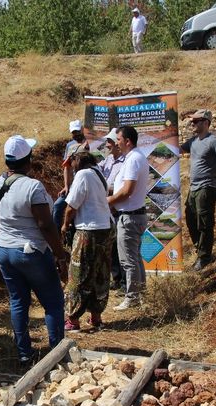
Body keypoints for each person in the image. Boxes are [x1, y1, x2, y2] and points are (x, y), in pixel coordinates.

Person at [0, 135, 67, 364]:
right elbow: (45, 225)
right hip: (30, 251)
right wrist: (60, 256)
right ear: (28, 160)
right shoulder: (33, 187)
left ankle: (24, 352)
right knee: (52, 301)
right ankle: (56, 352)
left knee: (18, 301)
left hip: (4, 248)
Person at [61, 146, 114, 332]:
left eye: (71, 162)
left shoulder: (83, 174)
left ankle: (73, 320)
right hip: (106, 228)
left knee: (78, 273)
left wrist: (65, 225)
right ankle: (96, 317)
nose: (71, 167)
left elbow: (71, 206)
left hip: (88, 230)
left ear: (77, 159)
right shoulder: (97, 172)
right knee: (100, 273)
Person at [180, 109, 216, 271]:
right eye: (192, 121)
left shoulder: (213, 141)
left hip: (207, 187)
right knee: (190, 219)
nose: (193, 124)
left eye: (196, 121)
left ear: (205, 123)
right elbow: (177, 151)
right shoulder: (193, 141)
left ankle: (204, 257)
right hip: (194, 188)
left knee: (204, 223)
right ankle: (200, 249)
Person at [108, 126, 151, 310]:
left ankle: (132, 296)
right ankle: (140, 294)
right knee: (134, 257)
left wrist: (107, 201)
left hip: (130, 218)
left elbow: (127, 191)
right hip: (133, 215)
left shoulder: (134, 159)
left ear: (127, 141)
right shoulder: (134, 157)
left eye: (118, 139)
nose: (116, 142)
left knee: (128, 260)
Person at [99, 128, 126, 292]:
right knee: (112, 247)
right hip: (107, 208)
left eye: (109, 142)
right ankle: (116, 278)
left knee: (121, 246)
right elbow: (97, 172)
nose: (106, 145)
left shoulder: (125, 161)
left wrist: (109, 191)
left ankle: (124, 282)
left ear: (116, 143)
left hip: (118, 207)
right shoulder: (108, 160)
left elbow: (121, 186)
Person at [52, 120, 87, 233]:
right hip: (74, 184)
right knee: (57, 206)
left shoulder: (89, 143)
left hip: (87, 182)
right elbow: (67, 167)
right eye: (73, 132)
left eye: (77, 131)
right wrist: (66, 186)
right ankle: (58, 235)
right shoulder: (70, 145)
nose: (76, 134)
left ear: (82, 129)